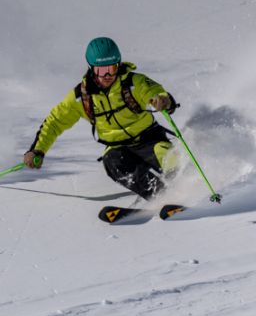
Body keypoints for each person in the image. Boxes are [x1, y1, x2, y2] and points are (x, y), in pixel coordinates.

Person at [23, 37, 179, 199]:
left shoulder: (134, 83)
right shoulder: (81, 97)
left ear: (118, 65)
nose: (106, 75)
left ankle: (186, 186)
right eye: (100, 70)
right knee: (112, 161)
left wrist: (163, 100)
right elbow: (55, 122)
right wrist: (37, 150)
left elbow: (155, 91)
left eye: (111, 69)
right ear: (91, 69)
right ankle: (159, 195)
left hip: (149, 140)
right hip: (118, 148)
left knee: (169, 156)